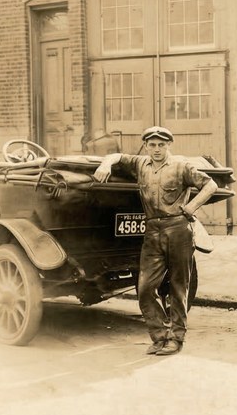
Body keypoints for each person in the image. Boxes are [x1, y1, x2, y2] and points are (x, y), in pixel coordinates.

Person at [93, 126, 218, 356]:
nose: (157, 149)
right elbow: (117, 156)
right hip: (152, 231)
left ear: (169, 145)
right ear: (146, 146)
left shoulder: (181, 166)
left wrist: (192, 206)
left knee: (179, 288)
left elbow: (211, 185)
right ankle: (160, 336)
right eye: (152, 145)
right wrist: (105, 164)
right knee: (145, 289)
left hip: (178, 229)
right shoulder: (141, 164)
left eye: (161, 144)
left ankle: (176, 339)